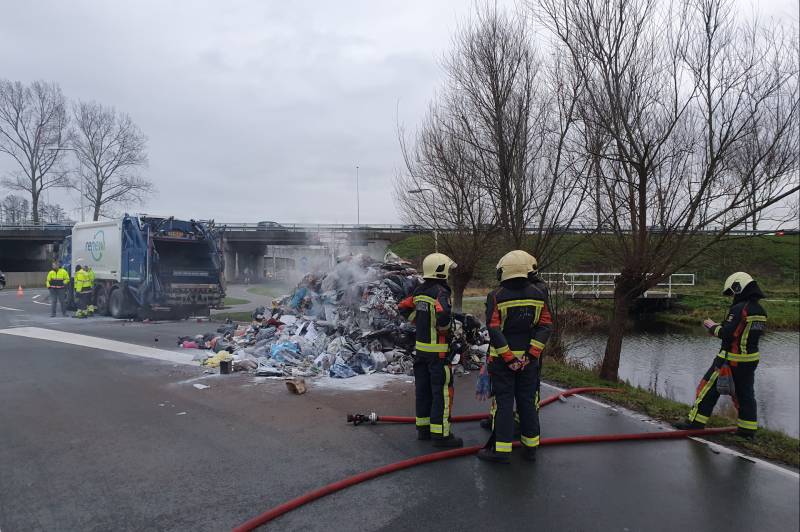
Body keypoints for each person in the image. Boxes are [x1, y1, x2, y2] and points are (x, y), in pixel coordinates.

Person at [478, 250, 552, 464]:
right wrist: (530, 355)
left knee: (504, 403)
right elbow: (545, 326)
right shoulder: (539, 294)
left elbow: (494, 329)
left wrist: (509, 358)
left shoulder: (496, 296)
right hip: (529, 362)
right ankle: (530, 448)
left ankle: (500, 451)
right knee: (527, 402)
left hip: (502, 362)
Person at [676, 272, 766, 438]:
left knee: (707, 389)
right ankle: (747, 430)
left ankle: (695, 423)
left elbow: (728, 334)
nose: (732, 297)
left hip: (729, 360)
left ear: (739, 287)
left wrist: (712, 326)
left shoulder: (740, 309)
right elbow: (743, 333)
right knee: (745, 395)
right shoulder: (760, 310)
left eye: (733, 292)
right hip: (750, 361)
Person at [398, 252, 462, 448]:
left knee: (423, 391)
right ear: (441, 270)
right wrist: (444, 330)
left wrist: (419, 321)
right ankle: (441, 435)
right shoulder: (441, 292)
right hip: (439, 353)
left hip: (421, 352)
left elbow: (402, 307)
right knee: (441, 393)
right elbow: (443, 318)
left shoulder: (419, 290)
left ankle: (423, 430)